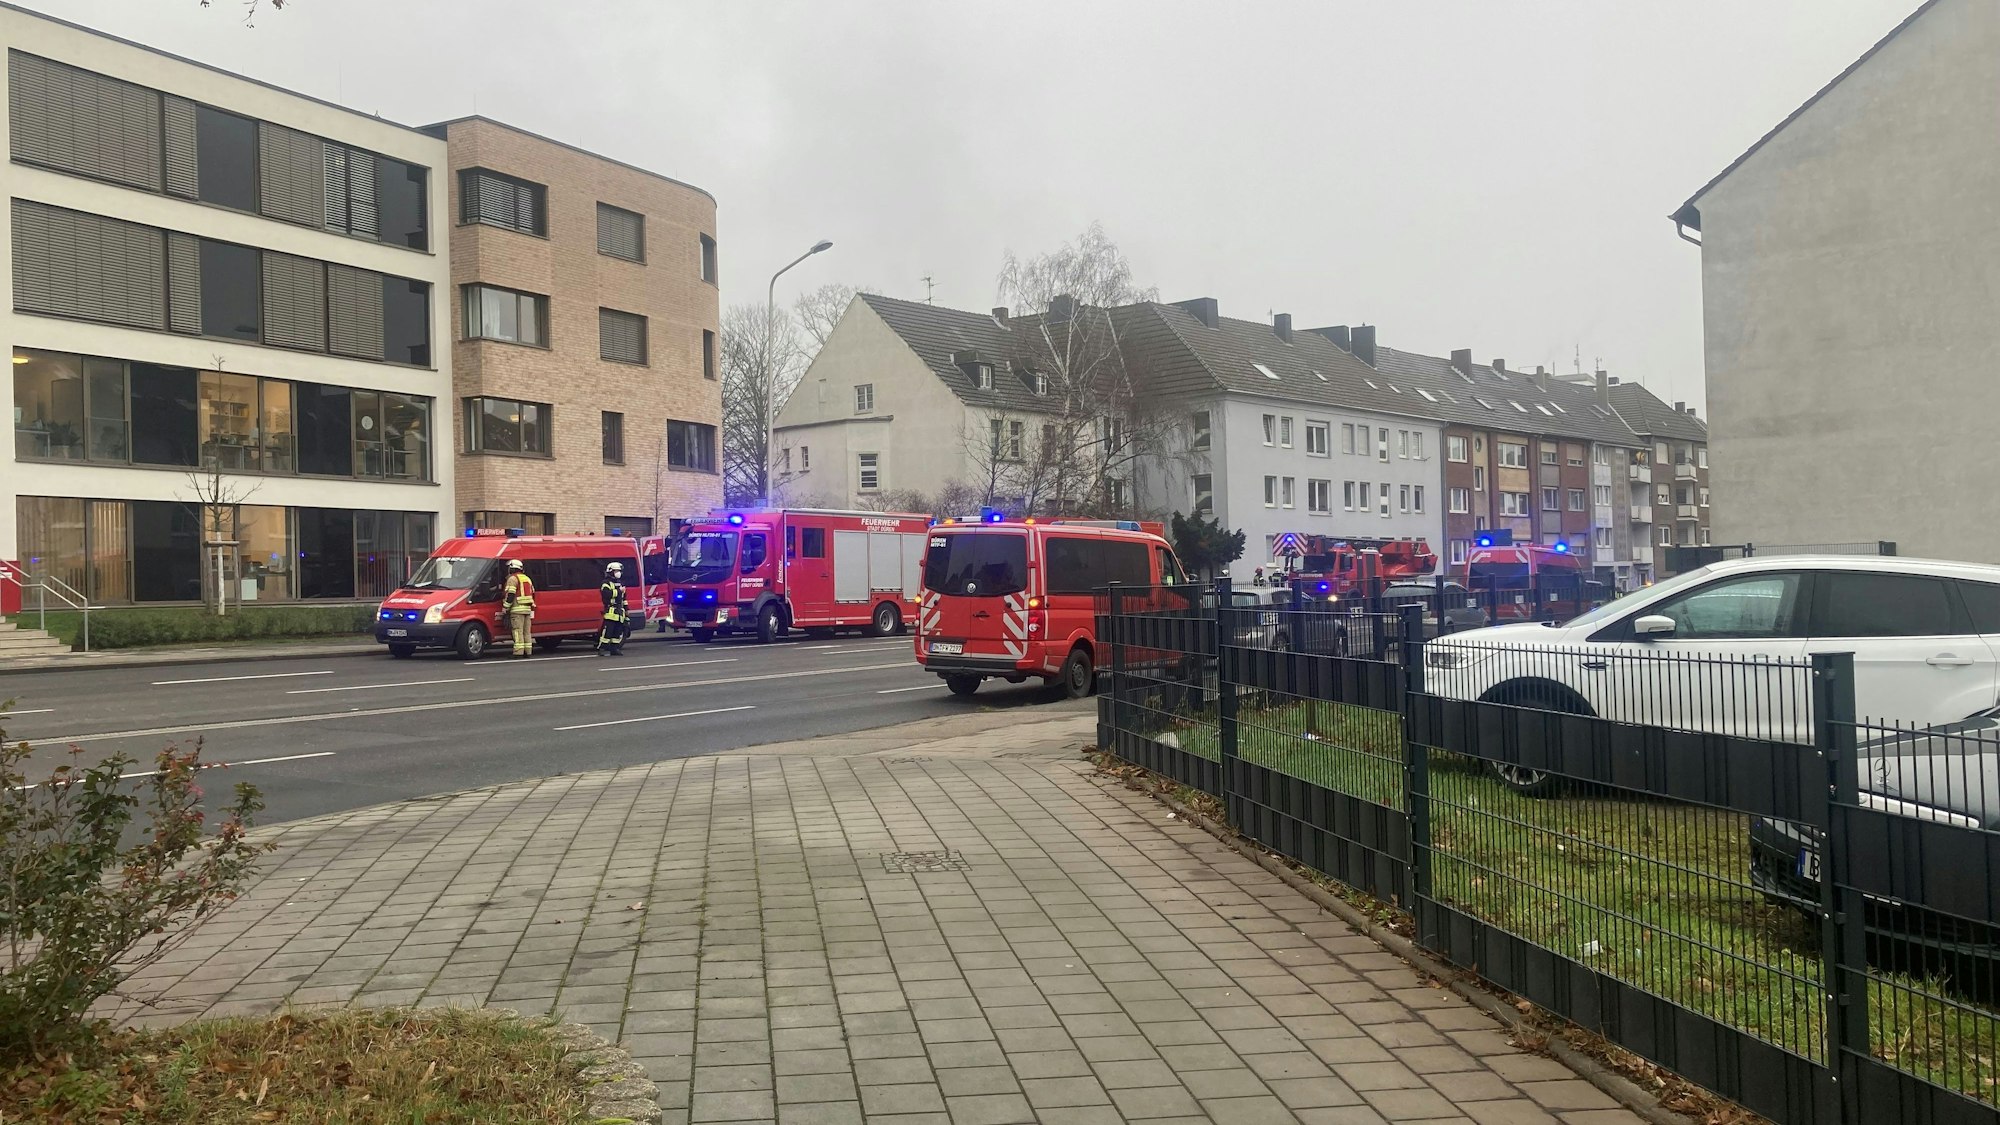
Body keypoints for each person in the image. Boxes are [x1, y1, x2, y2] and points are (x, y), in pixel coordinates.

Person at [502, 559, 536, 658]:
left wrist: (505, 607)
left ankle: (518, 652)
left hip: (517, 610)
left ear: (511, 568)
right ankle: (528, 652)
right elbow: (533, 593)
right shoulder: (527, 578)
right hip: (527, 609)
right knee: (527, 632)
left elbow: (511, 595)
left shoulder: (512, 579)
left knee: (517, 631)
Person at [597, 562, 630, 656]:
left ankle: (614, 649)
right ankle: (602, 648)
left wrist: (627, 609)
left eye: (619, 571)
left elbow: (624, 598)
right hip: (611, 611)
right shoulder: (605, 583)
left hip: (620, 612)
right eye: (616, 571)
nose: (618, 573)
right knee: (607, 632)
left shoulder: (621, 583)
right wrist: (618, 591)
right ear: (611, 571)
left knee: (618, 632)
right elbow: (606, 594)